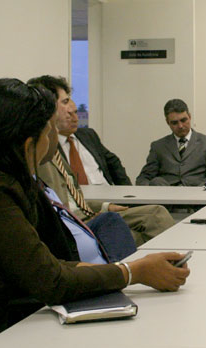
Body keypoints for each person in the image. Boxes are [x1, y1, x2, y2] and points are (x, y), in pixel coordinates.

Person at [0, 78, 190, 339]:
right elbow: (50, 280)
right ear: (29, 145)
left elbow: (43, 264)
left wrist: (116, 271)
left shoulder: (13, 183)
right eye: (48, 133)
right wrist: (134, 272)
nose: (52, 141)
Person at [31, 76, 175, 245]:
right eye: (65, 102)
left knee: (156, 216)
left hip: (91, 209)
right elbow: (59, 207)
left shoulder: (77, 141)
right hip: (76, 223)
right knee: (143, 228)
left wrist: (106, 206)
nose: (73, 108)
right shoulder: (40, 153)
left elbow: (77, 197)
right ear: (48, 106)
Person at [136, 98, 206, 187]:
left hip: (196, 191)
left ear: (189, 116)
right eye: (174, 123)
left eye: (183, 120)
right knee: (157, 181)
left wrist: (202, 188)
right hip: (166, 192)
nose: (180, 126)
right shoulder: (158, 147)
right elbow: (143, 178)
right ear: (167, 122)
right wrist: (151, 188)